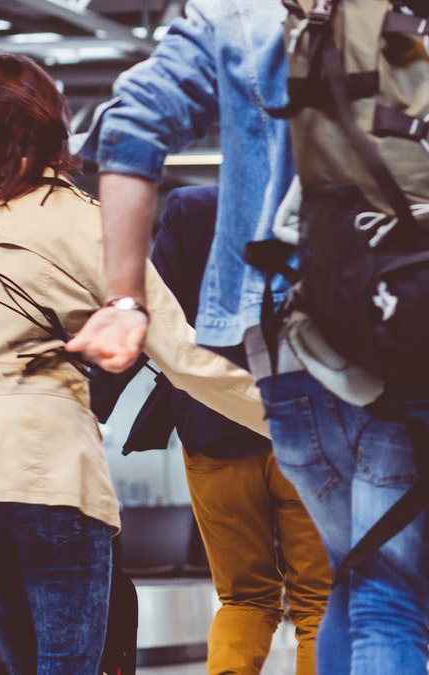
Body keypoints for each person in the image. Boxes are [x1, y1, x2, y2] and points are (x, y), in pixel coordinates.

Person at [64, 1, 429, 671]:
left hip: (290, 340)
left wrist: (125, 295)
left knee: (351, 581)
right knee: (388, 601)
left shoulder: (242, 11)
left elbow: (133, 121)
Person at [0, 52, 268, 675]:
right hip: (51, 477)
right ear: (52, 126)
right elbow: (183, 357)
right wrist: (295, 420)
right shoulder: (89, 224)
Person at [90, 185, 332, 675]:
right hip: (307, 430)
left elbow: (155, 315)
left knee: (244, 598)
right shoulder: (325, 203)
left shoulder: (192, 207)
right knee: (317, 602)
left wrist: (95, 404)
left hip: (213, 428)